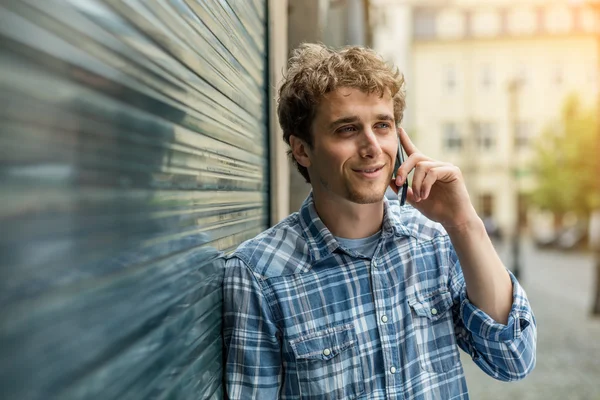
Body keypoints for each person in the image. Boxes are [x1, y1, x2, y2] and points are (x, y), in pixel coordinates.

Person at [223, 43, 536, 399]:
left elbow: (513, 359)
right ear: (302, 150)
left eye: (383, 125)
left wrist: (463, 222)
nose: (372, 146)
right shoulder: (259, 274)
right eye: (346, 129)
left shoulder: (433, 241)